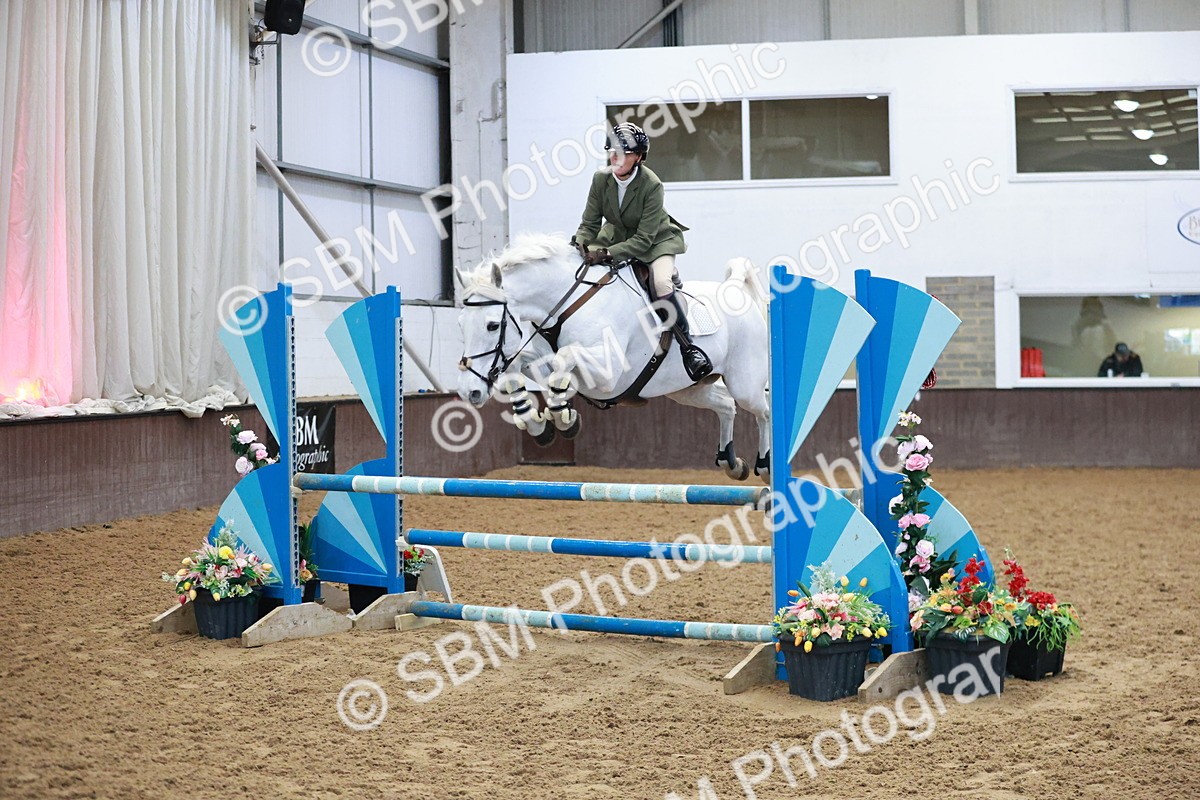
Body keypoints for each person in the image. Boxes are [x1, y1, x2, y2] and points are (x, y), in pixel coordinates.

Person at [570, 122, 712, 381]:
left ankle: (689, 347)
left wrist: (607, 253)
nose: (615, 157)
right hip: (616, 237)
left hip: (656, 243)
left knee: (660, 283)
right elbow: (590, 223)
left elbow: (644, 240)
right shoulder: (600, 179)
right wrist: (579, 244)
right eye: (612, 151)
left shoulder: (652, 184)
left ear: (638, 157)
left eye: (622, 154)